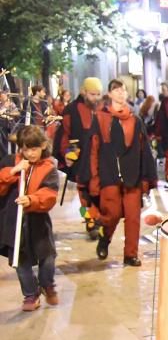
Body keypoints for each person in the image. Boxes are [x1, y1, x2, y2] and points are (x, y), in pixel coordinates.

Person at [79, 79, 158, 267]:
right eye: (116, 90)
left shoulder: (135, 120)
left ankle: (130, 255)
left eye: (123, 90)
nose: (121, 93)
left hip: (133, 176)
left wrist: (146, 178)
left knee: (132, 217)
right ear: (110, 94)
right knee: (112, 214)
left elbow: (143, 150)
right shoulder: (100, 118)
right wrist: (94, 178)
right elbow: (93, 149)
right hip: (109, 175)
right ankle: (104, 239)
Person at [0, 126, 59, 311]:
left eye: (33, 149)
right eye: (25, 149)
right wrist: (13, 172)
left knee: (47, 257)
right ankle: (30, 294)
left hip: (38, 221)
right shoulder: (12, 161)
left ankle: (47, 283)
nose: (30, 153)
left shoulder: (48, 167)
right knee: (20, 260)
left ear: (43, 145)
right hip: (14, 221)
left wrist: (32, 200)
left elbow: (49, 195)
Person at [61, 77, 104, 239]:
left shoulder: (103, 109)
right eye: (92, 94)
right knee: (83, 195)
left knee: (100, 192)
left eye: (98, 94)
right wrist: (69, 154)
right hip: (80, 159)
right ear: (83, 92)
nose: (96, 97)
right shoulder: (71, 110)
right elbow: (66, 134)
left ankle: (98, 218)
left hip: (100, 159)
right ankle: (88, 219)